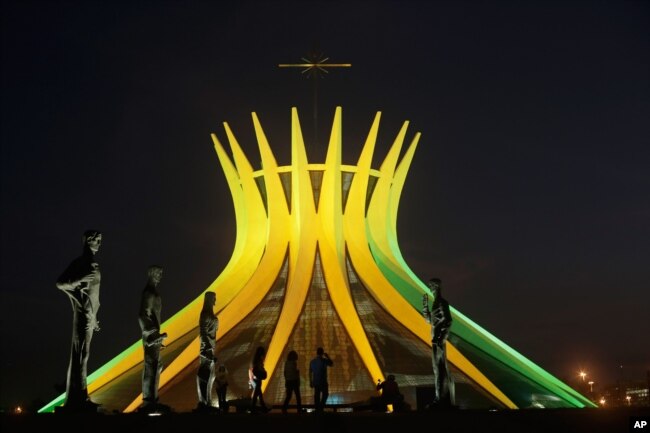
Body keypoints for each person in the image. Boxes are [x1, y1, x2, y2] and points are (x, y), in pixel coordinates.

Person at [56, 230, 102, 411]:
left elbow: (93, 294)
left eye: (99, 240)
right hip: (82, 314)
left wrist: (95, 316)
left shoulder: (93, 263)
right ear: (86, 241)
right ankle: (77, 398)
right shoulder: (80, 262)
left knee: (84, 355)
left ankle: (81, 395)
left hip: (90, 316)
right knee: (79, 354)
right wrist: (78, 279)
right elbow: (60, 283)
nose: (98, 243)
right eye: (95, 239)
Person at [138, 265, 168, 413]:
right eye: (157, 273)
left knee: (156, 366)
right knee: (151, 366)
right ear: (150, 274)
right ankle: (148, 400)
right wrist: (154, 335)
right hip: (151, 337)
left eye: (161, 274)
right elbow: (143, 315)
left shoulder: (153, 292)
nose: (159, 276)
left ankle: (153, 398)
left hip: (155, 337)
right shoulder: (149, 293)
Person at [422, 278, 455, 408]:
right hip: (435, 339)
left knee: (439, 368)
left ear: (436, 287)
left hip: (438, 340)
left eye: (431, 286)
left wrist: (441, 338)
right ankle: (439, 397)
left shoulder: (442, 302)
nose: (430, 288)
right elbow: (429, 321)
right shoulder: (435, 303)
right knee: (437, 368)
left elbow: (448, 321)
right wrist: (424, 307)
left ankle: (440, 399)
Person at [196, 291, 218, 411]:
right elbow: (203, 333)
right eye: (214, 298)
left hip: (211, 348)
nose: (215, 301)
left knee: (212, 375)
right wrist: (207, 350)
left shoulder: (210, 314)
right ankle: (203, 401)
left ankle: (208, 401)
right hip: (206, 349)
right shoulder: (204, 314)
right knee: (205, 374)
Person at [309, 347, 333, 412]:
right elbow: (331, 364)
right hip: (323, 381)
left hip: (316, 381)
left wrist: (310, 381)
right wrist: (328, 356)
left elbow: (310, 372)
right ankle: (321, 407)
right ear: (322, 353)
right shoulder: (324, 360)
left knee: (317, 396)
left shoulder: (312, 362)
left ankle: (317, 409)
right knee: (325, 394)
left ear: (317, 353)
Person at [248, 346, 269, 413]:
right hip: (257, 379)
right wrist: (262, 372)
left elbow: (254, 369)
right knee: (258, 394)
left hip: (256, 379)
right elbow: (258, 369)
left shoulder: (255, 360)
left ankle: (258, 407)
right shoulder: (258, 361)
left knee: (259, 394)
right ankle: (256, 407)